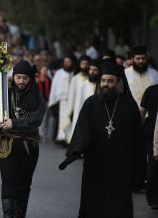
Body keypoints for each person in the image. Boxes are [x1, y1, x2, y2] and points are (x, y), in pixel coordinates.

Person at [60, 61, 146, 217]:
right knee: (93, 206)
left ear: (118, 82)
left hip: (120, 168)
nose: (105, 84)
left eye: (110, 81)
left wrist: (138, 172)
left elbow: (137, 141)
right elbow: (81, 130)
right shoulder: (91, 104)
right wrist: (77, 149)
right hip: (95, 166)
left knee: (118, 208)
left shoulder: (129, 105)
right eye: (103, 80)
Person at [0, 60, 46, 217]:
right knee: (8, 183)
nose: (21, 81)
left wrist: (14, 122)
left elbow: (35, 120)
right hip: (7, 144)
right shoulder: (4, 94)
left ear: (30, 79)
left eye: (25, 78)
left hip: (29, 145)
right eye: (18, 77)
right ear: (13, 77)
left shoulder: (38, 98)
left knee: (24, 185)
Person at [48, 54, 75, 145]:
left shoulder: (74, 73)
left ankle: (67, 138)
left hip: (71, 102)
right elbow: (54, 87)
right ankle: (58, 138)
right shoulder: (59, 73)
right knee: (58, 120)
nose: (67, 63)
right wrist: (53, 99)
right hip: (60, 101)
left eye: (68, 62)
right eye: (65, 62)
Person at [65, 55, 91, 144]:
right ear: (79, 65)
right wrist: (70, 110)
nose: (85, 66)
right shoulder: (75, 78)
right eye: (83, 64)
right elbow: (71, 96)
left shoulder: (92, 78)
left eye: (87, 64)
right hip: (78, 108)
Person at [140, 84, 158, 209]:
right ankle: (154, 199)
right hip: (152, 136)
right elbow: (142, 111)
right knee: (153, 168)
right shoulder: (151, 90)